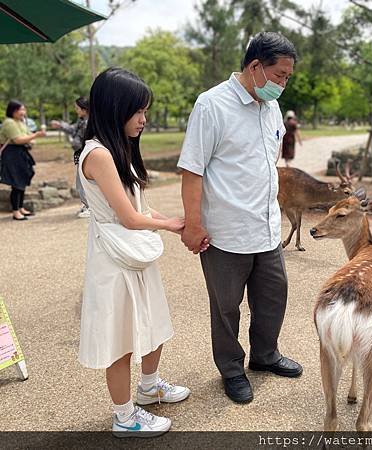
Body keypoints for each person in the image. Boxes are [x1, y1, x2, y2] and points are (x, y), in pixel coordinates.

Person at [179, 31, 303, 404]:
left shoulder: (272, 108)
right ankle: (232, 369)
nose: (283, 83)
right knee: (226, 307)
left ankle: (265, 356)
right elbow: (192, 171)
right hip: (225, 232)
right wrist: (194, 223)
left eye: (287, 77)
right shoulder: (211, 105)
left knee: (272, 297)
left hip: (266, 228)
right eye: (280, 75)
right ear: (254, 67)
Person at [78, 68, 189, 437]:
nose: (144, 119)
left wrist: (175, 220)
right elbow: (128, 217)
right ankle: (124, 417)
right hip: (114, 258)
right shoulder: (98, 154)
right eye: (137, 110)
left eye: (145, 110)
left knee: (154, 322)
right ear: (114, 108)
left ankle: (149, 386)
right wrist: (170, 226)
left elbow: (139, 204)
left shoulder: (116, 150)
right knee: (121, 338)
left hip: (133, 253)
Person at [0, 100, 46, 220]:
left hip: (21, 153)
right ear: (13, 111)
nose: (23, 112)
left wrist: (31, 138)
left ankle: (21, 208)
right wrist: (35, 136)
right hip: (12, 154)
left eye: (24, 109)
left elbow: (27, 136)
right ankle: (15, 211)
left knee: (23, 180)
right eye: (21, 109)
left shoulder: (20, 122)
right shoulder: (9, 122)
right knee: (16, 182)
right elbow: (18, 140)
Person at [50, 97, 90, 218]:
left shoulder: (88, 123)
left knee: (82, 181)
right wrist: (60, 125)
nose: (75, 110)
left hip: (85, 154)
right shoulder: (82, 121)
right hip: (80, 153)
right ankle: (88, 205)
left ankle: (90, 207)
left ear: (84, 109)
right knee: (82, 181)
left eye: (77, 108)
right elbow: (72, 130)